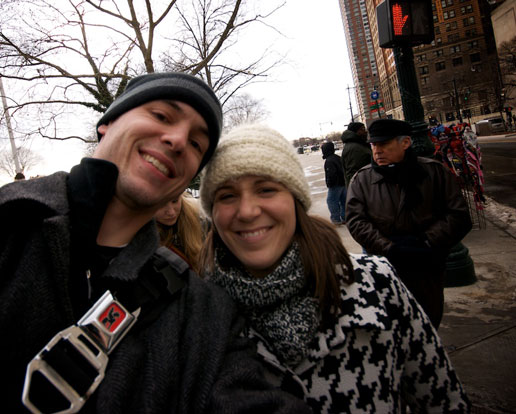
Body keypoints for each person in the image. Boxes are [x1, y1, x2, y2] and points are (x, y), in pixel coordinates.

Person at [0, 73, 309, 414]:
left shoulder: (204, 314)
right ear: (107, 123)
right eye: (162, 115)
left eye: (198, 144)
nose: (179, 140)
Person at [198, 123, 470, 413]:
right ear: (212, 212)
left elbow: (444, 401)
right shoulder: (197, 318)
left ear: (295, 200)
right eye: (227, 195)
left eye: (266, 189)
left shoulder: (377, 282)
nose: (248, 211)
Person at [346, 118, 472, 328]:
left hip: (427, 263)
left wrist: (426, 241)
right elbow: (356, 221)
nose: (377, 151)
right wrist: (389, 248)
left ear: (405, 143)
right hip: (385, 263)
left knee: (428, 318)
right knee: (392, 321)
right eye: (374, 145)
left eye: (384, 144)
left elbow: (458, 215)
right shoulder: (362, 179)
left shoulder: (434, 172)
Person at [155, 191, 203, 272]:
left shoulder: (200, 218)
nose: (171, 212)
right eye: (160, 205)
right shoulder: (139, 239)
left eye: (175, 201)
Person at [320, 141, 346, 224]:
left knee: (331, 201)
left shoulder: (329, 161)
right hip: (343, 183)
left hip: (335, 185)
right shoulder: (338, 157)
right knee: (343, 201)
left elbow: (331, 174)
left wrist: (329, 184)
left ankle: (335, 219)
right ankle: (345, 217)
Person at [341, 121, 371, 186]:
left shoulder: (358, 145)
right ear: (356, 132)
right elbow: (353, 174)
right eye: (362, 129)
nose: (365, 131)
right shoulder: (354, 148)